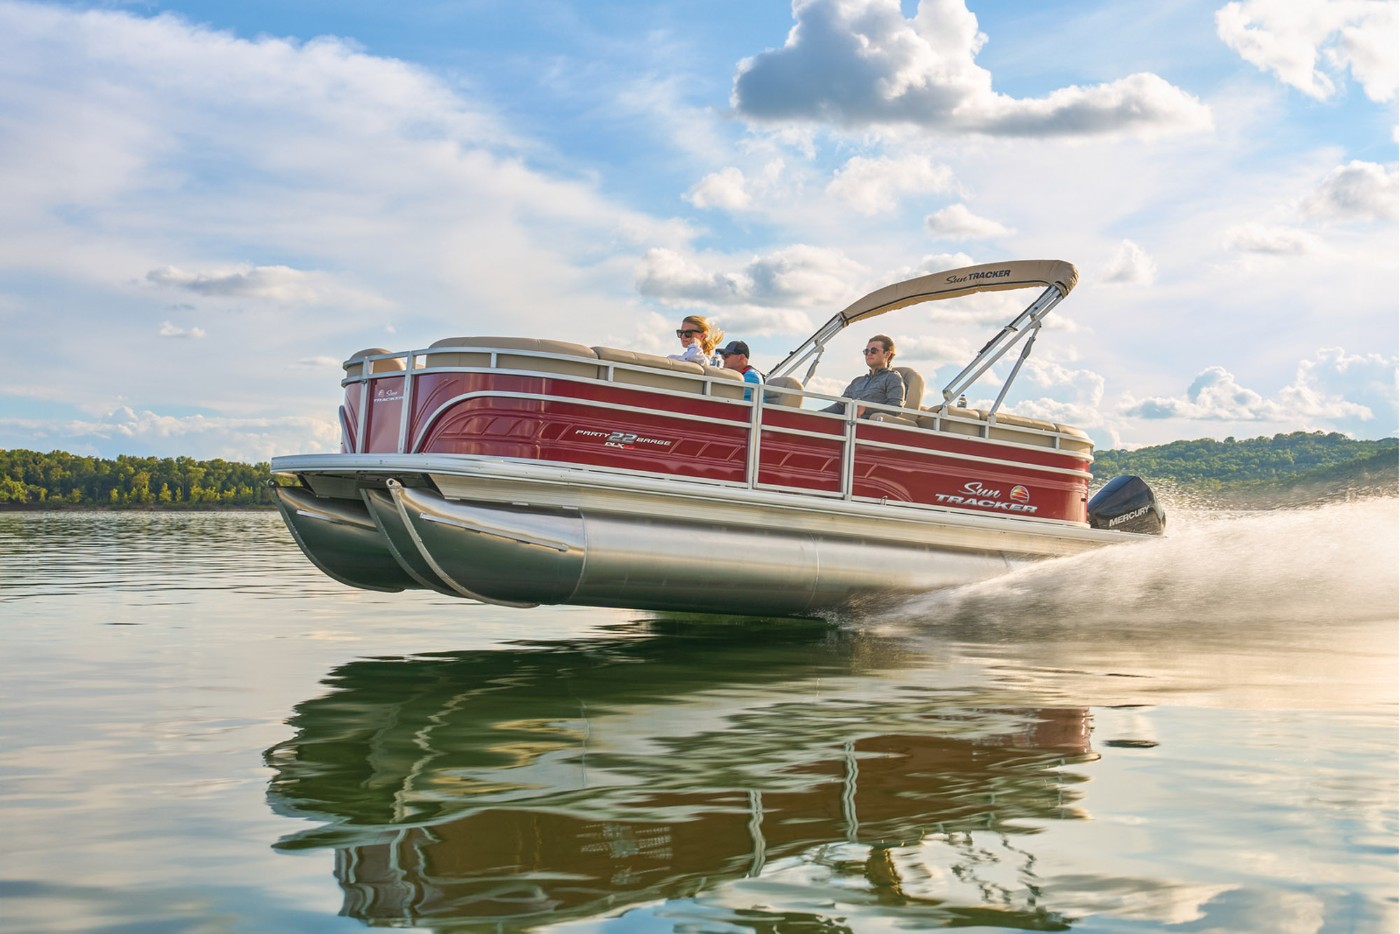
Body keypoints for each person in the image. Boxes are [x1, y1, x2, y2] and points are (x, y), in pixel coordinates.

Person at [823, 334, 905, 418]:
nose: (869, 354)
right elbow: (841, 406)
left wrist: (867, 409)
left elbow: (896, 408)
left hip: (869, 428)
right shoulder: (857, 381)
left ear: (887, 354)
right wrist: (816, 414)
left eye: (873, 351)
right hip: (848, 425)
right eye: (866, 351)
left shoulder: (893, 378)